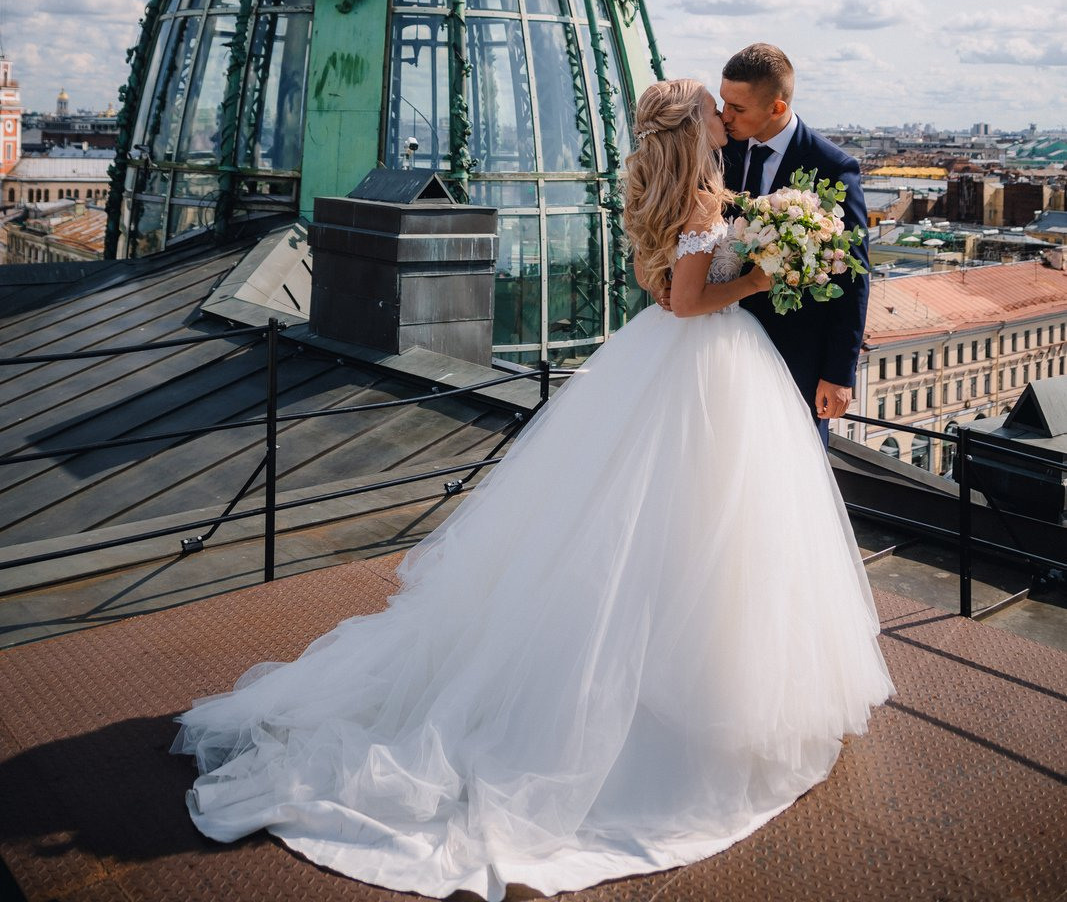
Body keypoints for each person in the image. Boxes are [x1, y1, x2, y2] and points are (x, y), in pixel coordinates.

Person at [173, 78, 892, 900]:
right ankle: (688, 707)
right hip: (706, 362)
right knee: (702, 532)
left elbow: (658, 288)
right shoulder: (699, 201)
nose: (721, 119)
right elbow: (691, 303)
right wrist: (761, 280)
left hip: (658, 361)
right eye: (710, 111)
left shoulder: (669, 192)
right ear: (695, 127)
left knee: (646, 527)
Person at [717, 43, 870, 444]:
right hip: (719, 340)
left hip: (795, 353)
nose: (725, 116)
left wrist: (838, 374)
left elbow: (853, 276)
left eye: (737, 108)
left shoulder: (832, 166)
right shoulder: (718, 149)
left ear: (777, 109)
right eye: (723, 103)